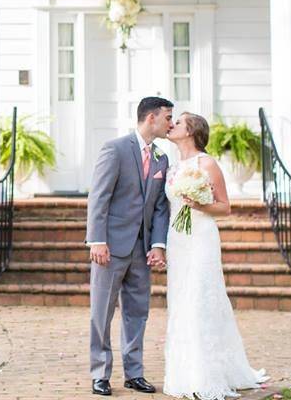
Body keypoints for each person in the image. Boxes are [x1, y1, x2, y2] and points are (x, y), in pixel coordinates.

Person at [162, 112, 269, 400]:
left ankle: (205, 375)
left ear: (192, 131)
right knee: (181, 302)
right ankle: (184, 372)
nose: (171, 126)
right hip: (177, 239)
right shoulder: (172, 167)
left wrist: (198, 204)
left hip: (201, 238)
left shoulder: (207, 163)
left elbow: (225, 207)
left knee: (200, 301)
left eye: (179, 123)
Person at [85, 96, 173, 396]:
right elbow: (99, 197)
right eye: (167, 117)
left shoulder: (162, 158)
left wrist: (158, 244)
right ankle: (100, 374)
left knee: (138, 312)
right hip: (109, 247)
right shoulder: (116, 149)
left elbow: (161, 206)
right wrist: (97, 240)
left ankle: (134, 373)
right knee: (102, 312)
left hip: (142, 249)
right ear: (151, 118)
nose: (170, 124)